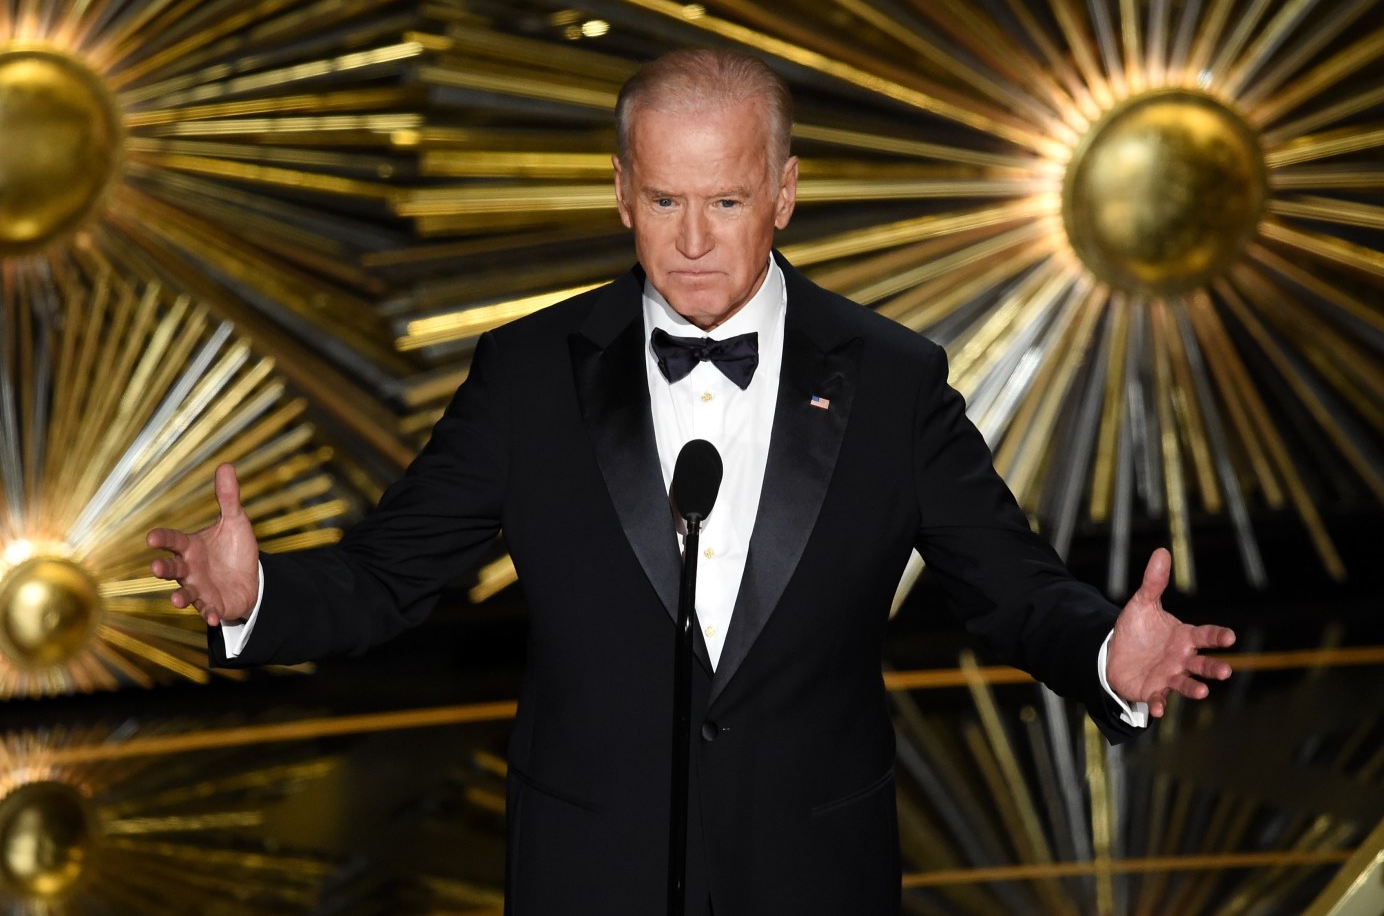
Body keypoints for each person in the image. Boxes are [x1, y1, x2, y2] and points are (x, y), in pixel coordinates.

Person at [148, 48, 1235, 915]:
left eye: (726, 201)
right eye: (666, 201)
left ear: (785, 192)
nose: (696, 241)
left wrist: (1104, 650)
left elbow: (1011, 583)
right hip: (589, 868)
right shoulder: (529, 375)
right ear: (622, 194)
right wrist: (257, 599)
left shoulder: (895, 382)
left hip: (813, 870)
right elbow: (391, 576)